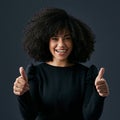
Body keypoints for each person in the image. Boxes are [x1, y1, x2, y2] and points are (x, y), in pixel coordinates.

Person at [13, 7, 109, 120]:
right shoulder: (36, 74)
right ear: (45, 41)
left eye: (67, 38)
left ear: (75, 41)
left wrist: (100, 95)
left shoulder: (86, 75)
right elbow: (29, 116)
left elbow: (90, 117)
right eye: (55, 38)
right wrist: (22, 94)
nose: (61, 44)